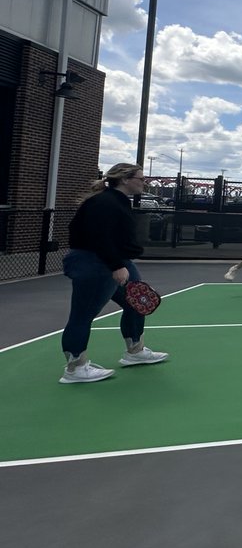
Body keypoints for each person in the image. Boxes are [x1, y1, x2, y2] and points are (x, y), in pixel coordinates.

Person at [60, 163, 169, 384]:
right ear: (125, 179)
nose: (144, 183)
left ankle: (135, 351)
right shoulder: (104, 202)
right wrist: (115, 265)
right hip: (95, 263)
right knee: (82, 315)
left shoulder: (118, 201)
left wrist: (124, 258)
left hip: (116, 261)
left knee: (137, 301)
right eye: (141, 178)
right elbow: (98, 237)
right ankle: (75, 368)